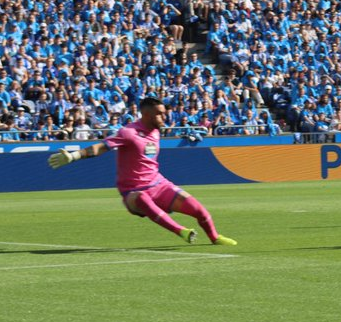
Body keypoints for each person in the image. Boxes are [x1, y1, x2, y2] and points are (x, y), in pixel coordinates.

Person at [47, 97, 237, 246]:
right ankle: (181, 231)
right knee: (142, 198)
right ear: (146, 115)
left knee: (199, 210)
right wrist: (74, 156)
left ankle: (214, 237)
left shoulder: (155, 130)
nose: (165, 118)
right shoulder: (128, 132)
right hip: (133, 192)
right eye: (160, 114)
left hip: (159, 184)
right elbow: (102, 147)